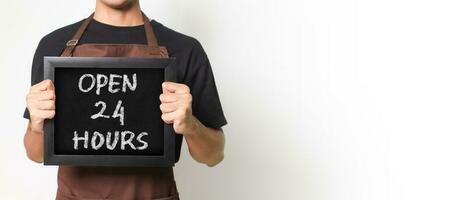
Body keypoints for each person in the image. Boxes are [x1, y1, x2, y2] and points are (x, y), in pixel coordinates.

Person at [23, 0, 227, 199]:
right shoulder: (53, 45)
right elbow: (36, 154)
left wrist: (191, 125)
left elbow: (213, 155)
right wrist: (36, 125)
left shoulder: (185, 48)